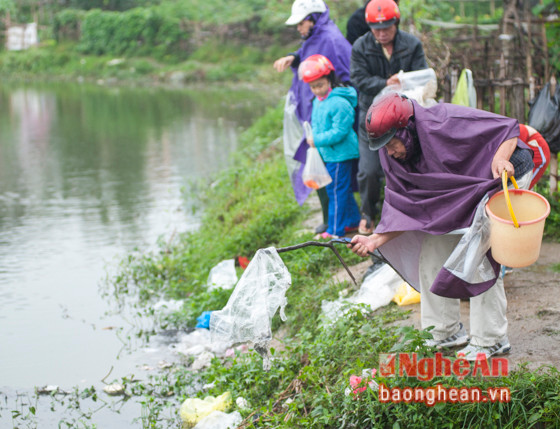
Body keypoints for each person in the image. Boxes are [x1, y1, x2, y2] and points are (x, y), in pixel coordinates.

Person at [348, 93, 535, 360]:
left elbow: (508, 128)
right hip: (460, 190)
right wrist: (374, 240)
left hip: (501, 175)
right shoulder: (393, 154)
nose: (388, 152)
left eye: (391, 143)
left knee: (477, 251)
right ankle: (444, 332)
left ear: (408, 130)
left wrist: (499, 159)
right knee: (434, 248)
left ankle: (491, 339)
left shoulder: (446, 120)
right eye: (382, 147)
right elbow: (410, 206)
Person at [273, 0, 353, 234]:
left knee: (330, 170)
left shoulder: (330, 38)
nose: (299, 28)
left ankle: (336, 223)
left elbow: (344, 75)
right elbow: (308, 53)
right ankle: (331, 217)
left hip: (328, 117)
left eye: (301, 22)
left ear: (314, 18)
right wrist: (294, 58)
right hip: (315, 112)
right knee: (317, 164)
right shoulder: (316, 36)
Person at [350, 0, 427, 235]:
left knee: (408, 166)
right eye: (377, 29)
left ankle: (409, 215)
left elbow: (421, 77)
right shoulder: (361, 47)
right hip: (371, 118)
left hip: (404, 119)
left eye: (387, 28)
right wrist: (385, 83)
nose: (382, 34)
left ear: (396, 23)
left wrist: (403, 83)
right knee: (369, 171)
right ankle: (368, 213)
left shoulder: (412, 44)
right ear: (369, 27)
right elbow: (358, 79)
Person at [299, 54, 361, 238]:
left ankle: (335, 230)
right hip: (329, 154)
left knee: (335, 192)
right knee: (341, 190)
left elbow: (340, 131)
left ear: (330, 80)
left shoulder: (339, 102)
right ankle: (352, 221)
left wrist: (316, 140)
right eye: (313, 87)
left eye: (320, 85)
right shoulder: (320, 101)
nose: (317, 90)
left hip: (341, 155)